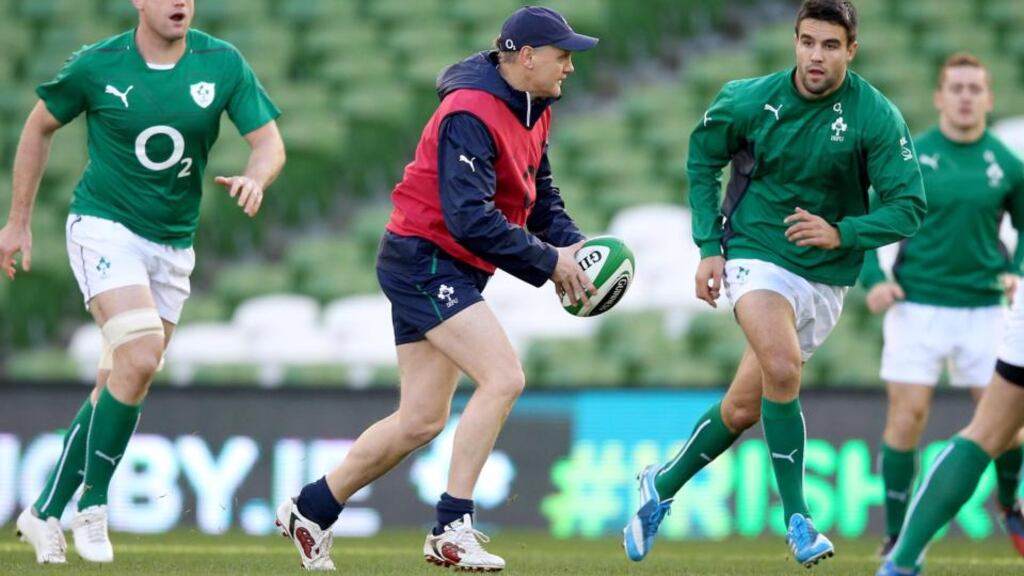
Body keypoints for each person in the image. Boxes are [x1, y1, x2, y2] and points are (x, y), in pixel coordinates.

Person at [275, 6, 597, 572]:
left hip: (446, 263)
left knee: (422, 418)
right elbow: (469, 218)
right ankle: (451, 527)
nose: (570, 66)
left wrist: (575, 249)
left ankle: (312, 508)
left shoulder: (535, 107)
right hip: (424, 259)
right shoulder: (469, 111)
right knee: (504, 377)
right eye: (562, 55)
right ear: (526, 57)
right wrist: (549, 263)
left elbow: (540, 197)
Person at [623, 0, 926, 568]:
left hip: (825, 278)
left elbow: (910, 207)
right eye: (808, 41)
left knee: (743, 408)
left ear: (851, 50)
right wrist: (709, 247)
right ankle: (800, 520)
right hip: (755, 252)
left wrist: (842, 232)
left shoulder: (874, 116)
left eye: (830, 45)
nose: (817, 55)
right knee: (783, 369)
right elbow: (701, 159)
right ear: (795, 41)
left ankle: (659, 485)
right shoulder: (747, 100)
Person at [2, 0, 284, 565]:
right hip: (103, 228)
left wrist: (257, 178)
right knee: (142, 355)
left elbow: (269, 142)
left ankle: (43, 512)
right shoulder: (97, 65)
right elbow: (38, 126)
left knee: (123, 378)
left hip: (172, 246)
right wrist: (17, 221)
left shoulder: (220, 62)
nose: (179, 2)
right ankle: (95, 505)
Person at [860, 53, 1024, 559]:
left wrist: (1016, 270)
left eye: (975, 88)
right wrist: (872, 279)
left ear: (989, 98)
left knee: (1007, 428)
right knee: (906, 418)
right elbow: (864, 214)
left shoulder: (1007, 165)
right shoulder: (913, 157)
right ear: (939, 96)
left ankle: (1009, 503)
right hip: (918, 305)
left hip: (984, 308)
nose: (966, 95)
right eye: (956, 87)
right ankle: (894, 537)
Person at [877, 285, 1024, 575]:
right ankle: (898, 547)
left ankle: (901, 563)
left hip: (993, 302)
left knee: (987, 432)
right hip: (922, 298)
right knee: (992, 431)